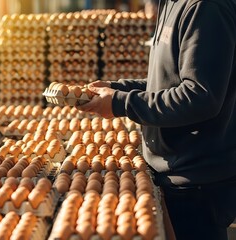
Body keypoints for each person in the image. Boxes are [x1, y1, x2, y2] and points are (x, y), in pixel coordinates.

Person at [77, 0, 236, 239]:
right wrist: (117, 89)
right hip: (175, 171)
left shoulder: (206, 8)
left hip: (196, 180)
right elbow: (166, 82)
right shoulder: (171, 3)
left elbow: (200, 97)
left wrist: (121, 103)